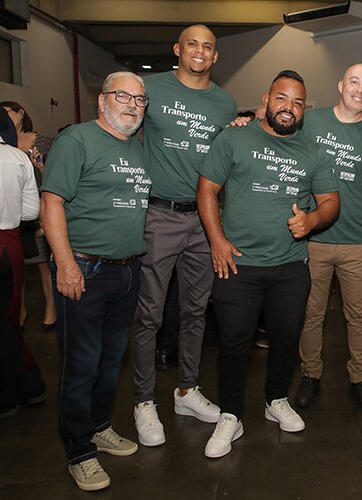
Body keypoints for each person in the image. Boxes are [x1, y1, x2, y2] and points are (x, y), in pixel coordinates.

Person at [197, 70, 339, 458]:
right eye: (282, 98)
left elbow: (331, 202)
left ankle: (276, 399)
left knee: (286, 338)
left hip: (290, 266)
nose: (288, 107)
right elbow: (207, 189)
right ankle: (231, 414)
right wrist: (217, 240)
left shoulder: (313, 152)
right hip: (238, 264)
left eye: (297, 102)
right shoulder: (234, 138)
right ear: (266, 99)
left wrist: (312, 220)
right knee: (234, 343)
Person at [41, 71, 150, 491]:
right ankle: (79, 452)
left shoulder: (136, 147)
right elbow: (52, 203)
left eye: (139, 99)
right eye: (123, 96)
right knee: (81, 365)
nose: (132, 105)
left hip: (127, 271)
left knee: (109, 362)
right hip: (85, 270)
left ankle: (99, 427)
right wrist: (65, 265)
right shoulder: (77, 140)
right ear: (102, 101)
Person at [130, 24, 236, 447]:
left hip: (204, 219)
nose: (200, 51)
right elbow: (125, 133)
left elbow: (230, 156)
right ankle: (143, 401)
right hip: (159, 214)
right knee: (149, 314)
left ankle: (187, 390)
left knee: (195, 311)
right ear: (177, 48)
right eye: (192, 43)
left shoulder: (224, 102)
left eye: (208, 47)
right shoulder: (150, 89)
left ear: (215, 56)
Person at [292, 63, 362, 413]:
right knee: (311, 314)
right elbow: (276, 130)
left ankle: (360, 377)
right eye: (354, 82)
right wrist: (246, 121)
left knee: (359, 316)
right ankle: (310, 374)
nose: (359, 90)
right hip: (313, 239)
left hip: (356, 243)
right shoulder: (311, 121)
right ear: (341, 84)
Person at [0, 104, 43, 420]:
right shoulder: (18, 158)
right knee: (5, 319)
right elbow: (30, 212)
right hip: (11, 243)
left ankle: (2, 395)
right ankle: (29, 384)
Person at [1, 100, 56, 331]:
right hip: (13, 209)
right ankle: (20, 310)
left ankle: (51, 308)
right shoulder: (2, 143)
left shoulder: (43, 142)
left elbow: (56, 177)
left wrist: (41, 166)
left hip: (40, 208)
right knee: (18, 264)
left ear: (21, 113)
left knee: (43, 262)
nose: (4, 117)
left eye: (7, 112)